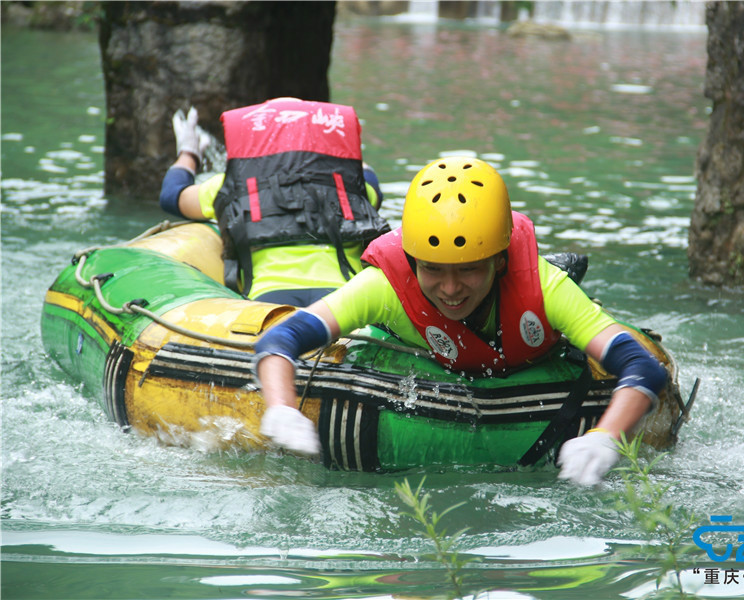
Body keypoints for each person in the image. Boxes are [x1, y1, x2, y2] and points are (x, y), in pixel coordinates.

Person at [253, 156, 668, 486]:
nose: (450, 289)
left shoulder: (543, 287)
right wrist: (282, 408)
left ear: (500, 260)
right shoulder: (383, 286)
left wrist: (605, 435)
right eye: (433, 269)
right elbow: (281, 339)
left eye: (469, 269)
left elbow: (642, 367)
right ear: (412, 260)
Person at [158, 97, 390, 306]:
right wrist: (343, 149)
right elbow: (372, 187)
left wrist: (189, 153)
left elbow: (172, 195)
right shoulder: (346, 185)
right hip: (344, 302)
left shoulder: (232, 184)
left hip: (268, 301)